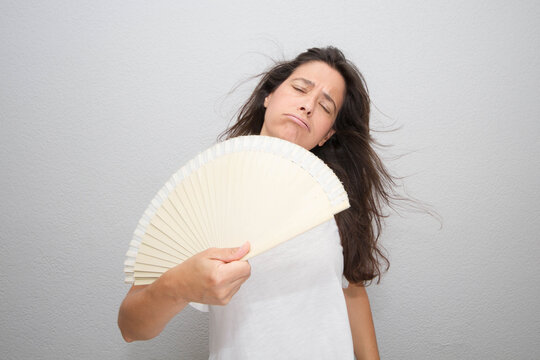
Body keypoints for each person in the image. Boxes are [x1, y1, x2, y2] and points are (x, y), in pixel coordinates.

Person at [119, 46, 394, 360]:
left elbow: (351, 293)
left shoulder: (331, 203)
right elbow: (131, 327)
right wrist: (180, 286)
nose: (308, 105)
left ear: (326, 135)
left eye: (325, 106)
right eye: (300, 88)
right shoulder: (208, 191)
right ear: (270, 96)